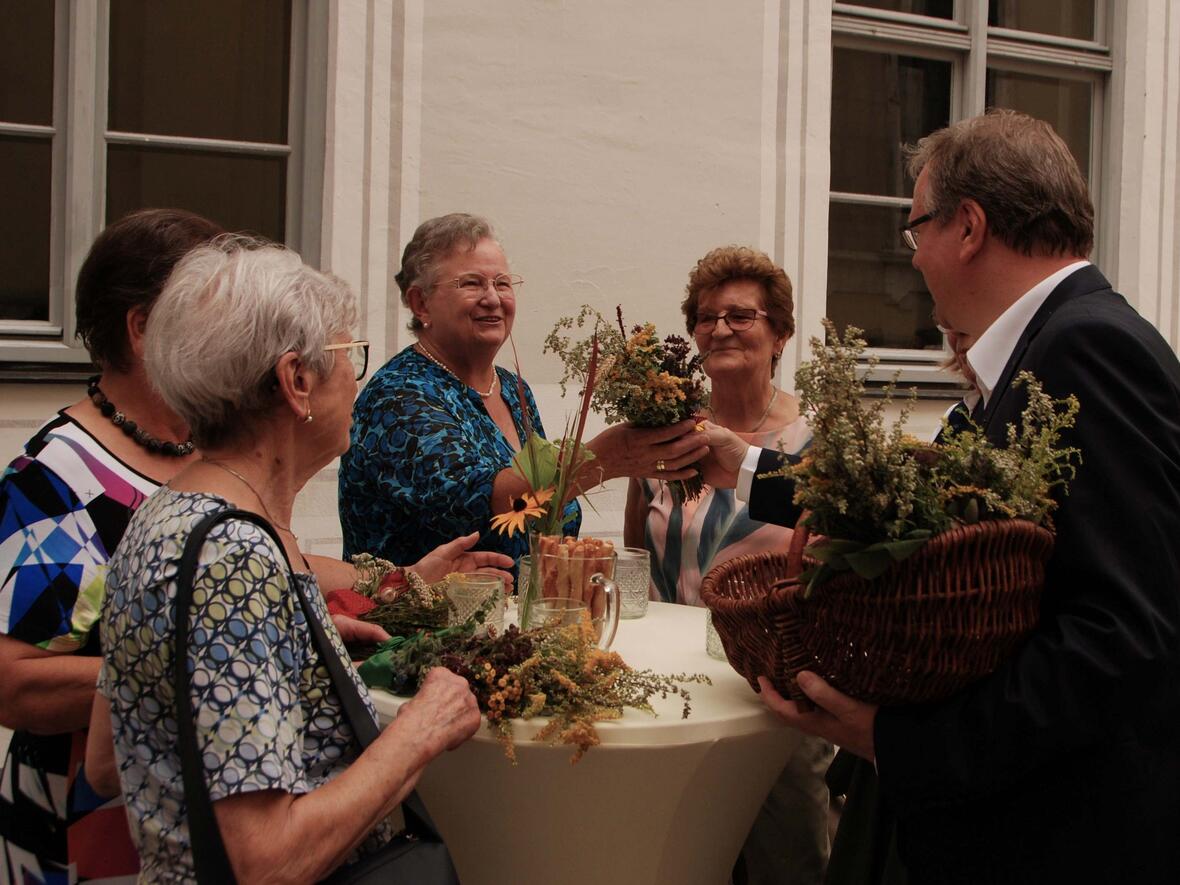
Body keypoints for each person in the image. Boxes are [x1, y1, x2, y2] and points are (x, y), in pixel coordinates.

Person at [703, 110, 1180, 883]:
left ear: (969, 228)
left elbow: (1120, 636)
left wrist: (904, 742)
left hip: (1063, 836)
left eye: (916, 228)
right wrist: (748, 468)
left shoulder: (1085, 346)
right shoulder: (1047, 346)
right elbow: (923, 503)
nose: (915, 255)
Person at [90, 237, 483, 882]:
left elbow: (110, 759)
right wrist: (422, 731)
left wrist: (297, 646)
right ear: (296, 380)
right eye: (350, 355)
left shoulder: (167, 512)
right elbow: (267, 862)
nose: (357, 378)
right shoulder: (233, 556)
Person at [0, 209, 222, 883]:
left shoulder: (208, 446)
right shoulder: (54, 477)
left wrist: (391, 578)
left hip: (187, 811)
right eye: (214, 310)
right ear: (143, 328)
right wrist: (196, 673)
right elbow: (14, 683)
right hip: (87, 823)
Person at [624, 245, 830, 885]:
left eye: (741, 316)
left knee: (788, 867)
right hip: (673, 699)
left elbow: (840, 564)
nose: (719, 329)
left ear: (781, 334)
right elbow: (636, 558)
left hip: (778, 697)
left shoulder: (818, 442)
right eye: (706, 317)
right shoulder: (664, 436)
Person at [339, 212, 707, 566]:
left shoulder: (513, 390)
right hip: (421, 610)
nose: (493, 298)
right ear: (421, 303)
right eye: (471, 283)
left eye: (502, 283)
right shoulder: (399, 395)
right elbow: (478, 504)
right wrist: (604, 459)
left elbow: (544, 508)